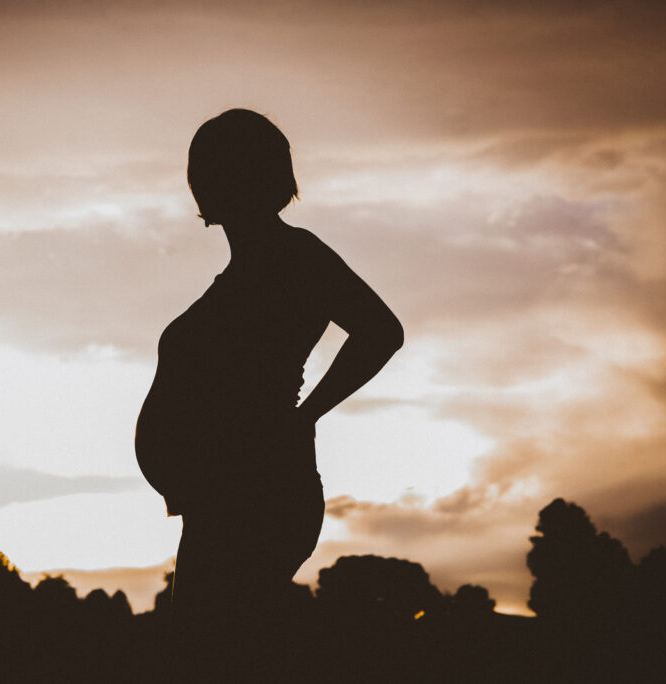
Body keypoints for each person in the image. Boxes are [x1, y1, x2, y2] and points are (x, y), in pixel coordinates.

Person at [135, 109, 404, 681]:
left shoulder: (293, 255)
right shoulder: (245, 272)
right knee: (212, 654)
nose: (201, 183)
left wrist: (304, 417)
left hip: (255, 495)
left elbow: (382, 331)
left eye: (212, 169)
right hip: (221, 500)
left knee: (215, 655)